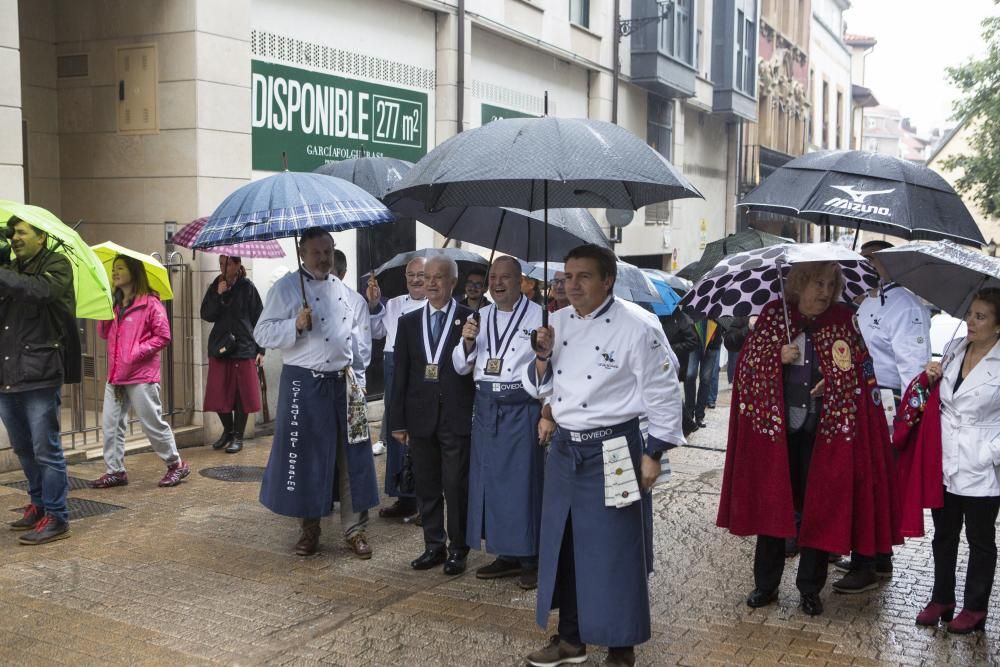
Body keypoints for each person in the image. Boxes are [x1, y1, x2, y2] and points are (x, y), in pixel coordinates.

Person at [522, 244, 684, 667]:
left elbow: (665, 392)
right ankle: (571, 640)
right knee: (564, 543)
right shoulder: (553, 323)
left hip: (615, 449)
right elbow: (538, 389)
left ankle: (620, 646)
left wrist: (654, 453)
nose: (571, 285)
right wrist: (541, 355)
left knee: (615, 548)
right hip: (565, 448)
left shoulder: (638, 325)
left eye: (583, 277)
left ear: (607, 279)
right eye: (567, 277)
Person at [717, 261, 901, 617]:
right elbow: (746, 369)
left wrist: (833, 383)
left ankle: (809, 589)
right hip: (777, 435)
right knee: (773, 507)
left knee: (820, 510)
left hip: (823, 434)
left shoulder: (842, 319)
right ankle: (766, 586)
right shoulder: (774, 316)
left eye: (831, 284)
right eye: (818, 283)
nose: (825, 292)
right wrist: (776, 356)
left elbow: (860, 371)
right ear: (798, 283)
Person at [254, 228, 378, 559]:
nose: (323, 258)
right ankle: (309, 529)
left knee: (352, 459)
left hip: (345, 383)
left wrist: (360, 384)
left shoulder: (346, 293)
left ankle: (355, 530)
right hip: (305, 386)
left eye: (327, 251)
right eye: (316, 252)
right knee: (307, 458)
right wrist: (293, 324)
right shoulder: (285, 289)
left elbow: (357, 344)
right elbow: (262, 332)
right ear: (302, 252)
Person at [832, 239, 931, 593]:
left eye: (872, 259)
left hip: (889, 403)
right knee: (866, 480)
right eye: (862, 258)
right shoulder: (867, 301)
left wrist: (907, 420)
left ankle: (868, 562)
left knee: (874, 482)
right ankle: (875, 555)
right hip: (863, 398)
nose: (865, 265)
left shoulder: (904, 305)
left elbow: (914, 369)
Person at [453, 256, 545, 590]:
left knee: (523, 485)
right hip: (486, 406)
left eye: (505, 277)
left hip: (521, 408)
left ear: (521, 281)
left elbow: (547, 368)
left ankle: (531, 558)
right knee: (490, 483)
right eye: (493, 276)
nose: (497, 282)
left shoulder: (540, 317)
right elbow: (462, 366)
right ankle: (505, 553)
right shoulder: (479, 316)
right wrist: (467, 341)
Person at [916, 288, 1000, 634]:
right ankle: (942, 598)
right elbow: (937, 400)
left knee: (980, 540)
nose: (971, 322)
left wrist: (990, 452)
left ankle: (976, 606)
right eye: (970, 314)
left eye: (980, 317)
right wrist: (931, 375)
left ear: (998, 326)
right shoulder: (953, 349)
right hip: (947, 458)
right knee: (944, 534)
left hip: (983, 464)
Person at [390, 255, 475, 575]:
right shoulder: (408, 322)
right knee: (426, 485)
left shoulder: (470, 318)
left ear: (454, 282)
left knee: (455, 486)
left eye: (440, 277)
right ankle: (433, 545)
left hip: (455, 415)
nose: (432, 283)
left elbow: (472, 369)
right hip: (420, 416)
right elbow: (401, 373)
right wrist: (397, 421)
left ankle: (458, 549)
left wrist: (468, 340)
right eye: (427, 277)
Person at [0, 217, 79, 545]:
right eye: (12, 233)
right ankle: (38, 504)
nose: (15, 238)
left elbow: (39, 291)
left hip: (40, 372)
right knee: (22, 447)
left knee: (46, 448)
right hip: (6, 374)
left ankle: (57, 516)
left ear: (41, 237)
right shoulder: (9, 268)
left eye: (22, 232)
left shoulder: (56, 267)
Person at [88, 255, 189, 489]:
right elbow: (104, 334)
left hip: (141, 375)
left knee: (151, 422)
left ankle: (176, 464)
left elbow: (163, 336)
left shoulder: (150, 303)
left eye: (120, 268)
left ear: (134, 272)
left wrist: (136, 351)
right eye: (114, 269)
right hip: (116, 374)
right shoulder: (114, 303)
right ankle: (115, 471)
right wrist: (104, 309)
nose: (115, 272)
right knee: (111, 424)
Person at [368, 257, 426, 519]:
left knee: (417, 434)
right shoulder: (393, 304)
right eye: (411, 274)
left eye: (421, 275)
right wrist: (372, 303)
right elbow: (376, 331)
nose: (416, 279)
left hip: (418, 370)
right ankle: (401, 496)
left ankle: (421, 500)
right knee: (395, 431)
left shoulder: (435, 306)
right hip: (392, 368)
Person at [200, 255, 264, 454]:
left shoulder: (248, 287)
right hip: (220, 346)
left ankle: (238, 435)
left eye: (227, 264)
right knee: (218, 392)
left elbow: (259, 318)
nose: (223, 268)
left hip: (244, 346)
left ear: (237, 265)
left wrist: (261, 349)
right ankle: (227, 431)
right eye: (220, 264)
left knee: (241, 394)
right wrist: (218, 295)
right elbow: (206, 314)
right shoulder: (216, 285)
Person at [659, 308, 700, 436]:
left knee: (670, 391)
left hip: (674, 362)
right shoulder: (654, 317)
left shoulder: (682, 318)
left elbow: (693, 341)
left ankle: (686, 423)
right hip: (659, 360)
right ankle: (681, 424)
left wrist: (671, 349)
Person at [685, 319, 722, 427]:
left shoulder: (717, 305)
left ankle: (699, 415)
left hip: (712, 344)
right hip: (694, 343)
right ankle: (689, 413)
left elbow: (723, 321)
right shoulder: (694, 304)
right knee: (690, 375)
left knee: (706, 380)